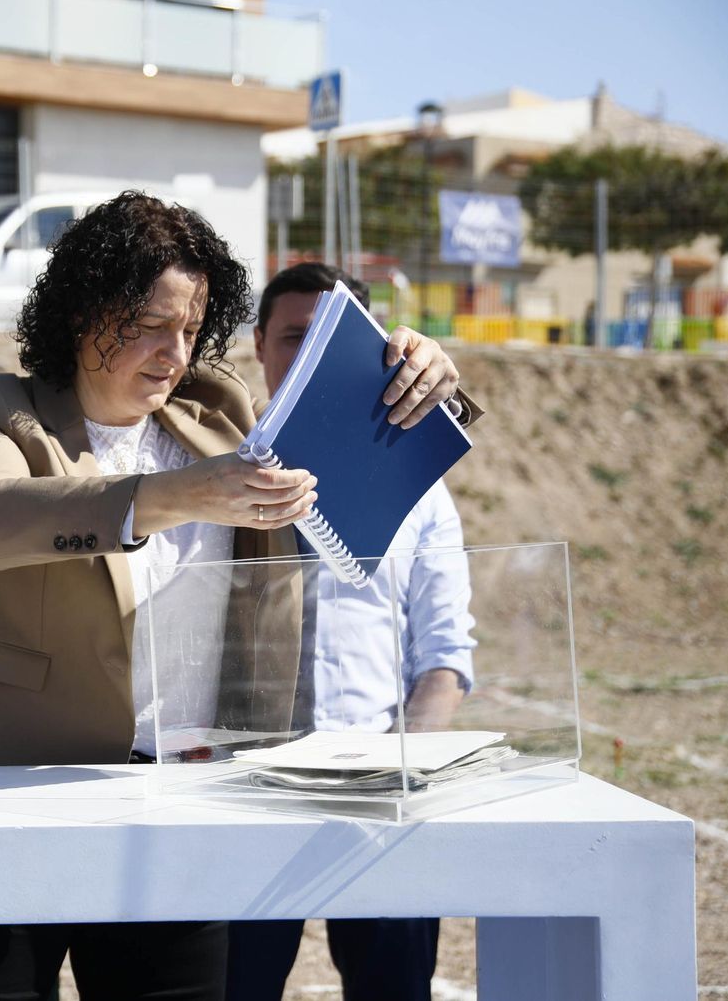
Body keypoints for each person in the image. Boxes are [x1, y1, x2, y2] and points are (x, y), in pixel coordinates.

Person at [0, 193, 470, 1001]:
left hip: (182, 809)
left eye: (192, 326)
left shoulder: (218, 414)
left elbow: (344, 457)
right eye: (149, 324)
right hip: (6, 800)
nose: (175, 352)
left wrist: (414, 376)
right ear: (81, 313)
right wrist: (176, 496)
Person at [226, 262, 478, 1001]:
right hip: (246, 795)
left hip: (381, 794)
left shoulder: (420, 490)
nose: (304, 355)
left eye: (325, 340)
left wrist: (401, 767)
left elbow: (444, 658)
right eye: (291, 336)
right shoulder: (213, 476)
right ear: (259, 346)